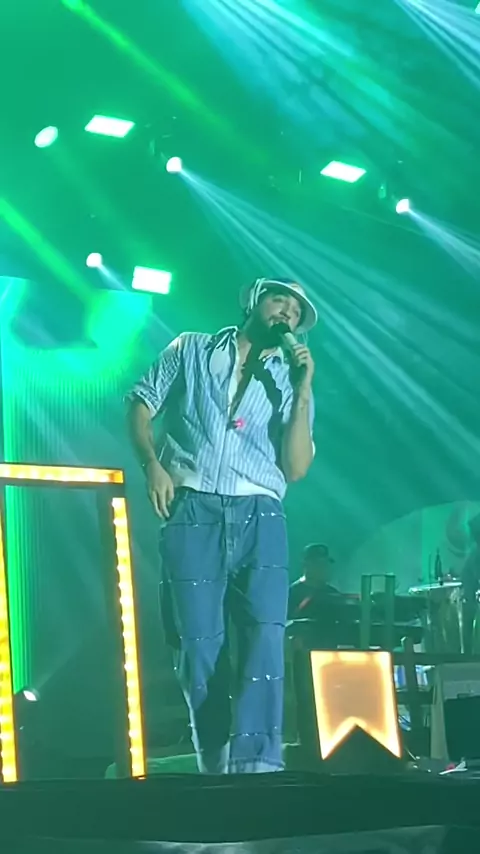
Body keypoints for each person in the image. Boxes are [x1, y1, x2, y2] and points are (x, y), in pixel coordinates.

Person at [126, 277, 317, 774]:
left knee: (264, 641)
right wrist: (152, 464)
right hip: (193, 508)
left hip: (261, 513)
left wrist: (303, 391)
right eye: (279, 300)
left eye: (297, 311)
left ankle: (258, 770)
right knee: (197, 644)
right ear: (252, 300)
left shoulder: (289, 377)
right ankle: (214, 765)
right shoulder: (190, 348)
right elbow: (140, 404)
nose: (287, 313)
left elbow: (297, 467)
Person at [288, 543, 341, 620]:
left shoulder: (333, 593)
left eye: (326, 564)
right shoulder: (290, 594)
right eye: (319, 564)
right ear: (306, 565)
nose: (324, 568)